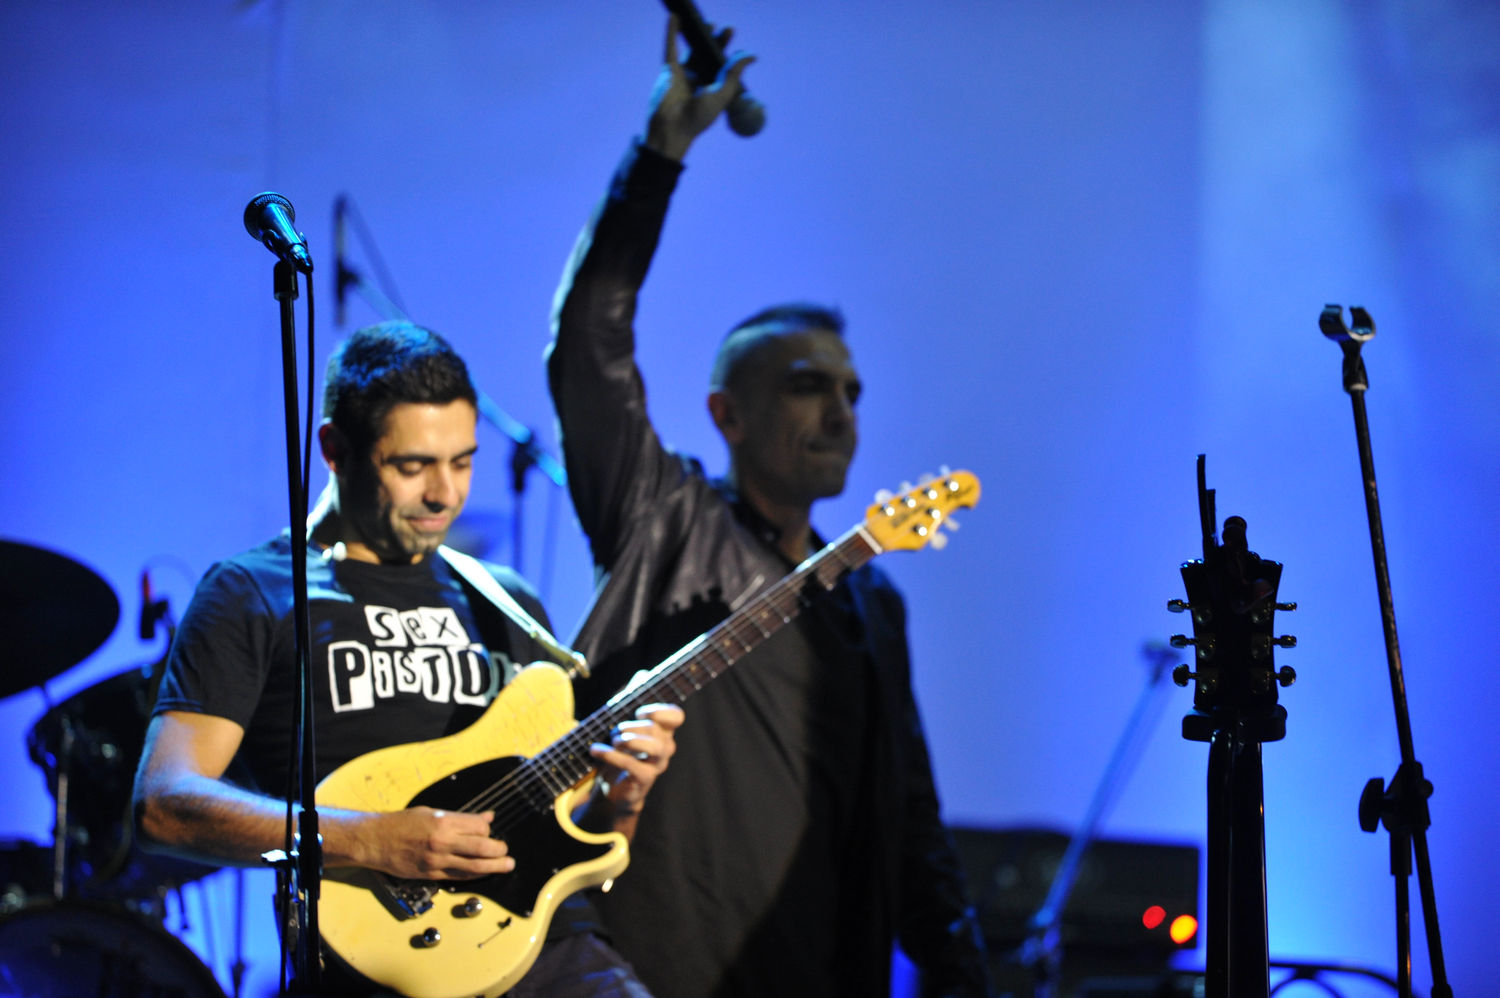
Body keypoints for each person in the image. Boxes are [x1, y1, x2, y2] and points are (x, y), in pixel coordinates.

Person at [545, 20, 992, 998]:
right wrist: (659, 154)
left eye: (852, 392)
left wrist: (966, 979)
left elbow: (912, 825)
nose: (839, 411)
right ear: (727, 414)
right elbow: (587, 344)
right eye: (806, 386)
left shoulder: (870, 602)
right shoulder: (661, 521)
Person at [133, 321, 682, 997]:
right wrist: (371, 839)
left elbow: (571, 846)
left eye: (463, 462)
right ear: (335, 450)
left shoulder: (505, 601)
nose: (445, 494)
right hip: (382, 962)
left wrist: (621, 798)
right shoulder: (254, 592)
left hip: (555, 952)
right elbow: (163, 806)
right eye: (413, 466)